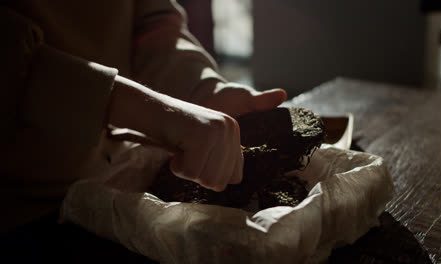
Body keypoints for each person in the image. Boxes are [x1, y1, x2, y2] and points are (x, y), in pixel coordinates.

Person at [0, 0, 287, 231]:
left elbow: (152, 22)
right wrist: (146, 111)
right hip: (22, 211)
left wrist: (203, 89)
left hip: (116, 189)